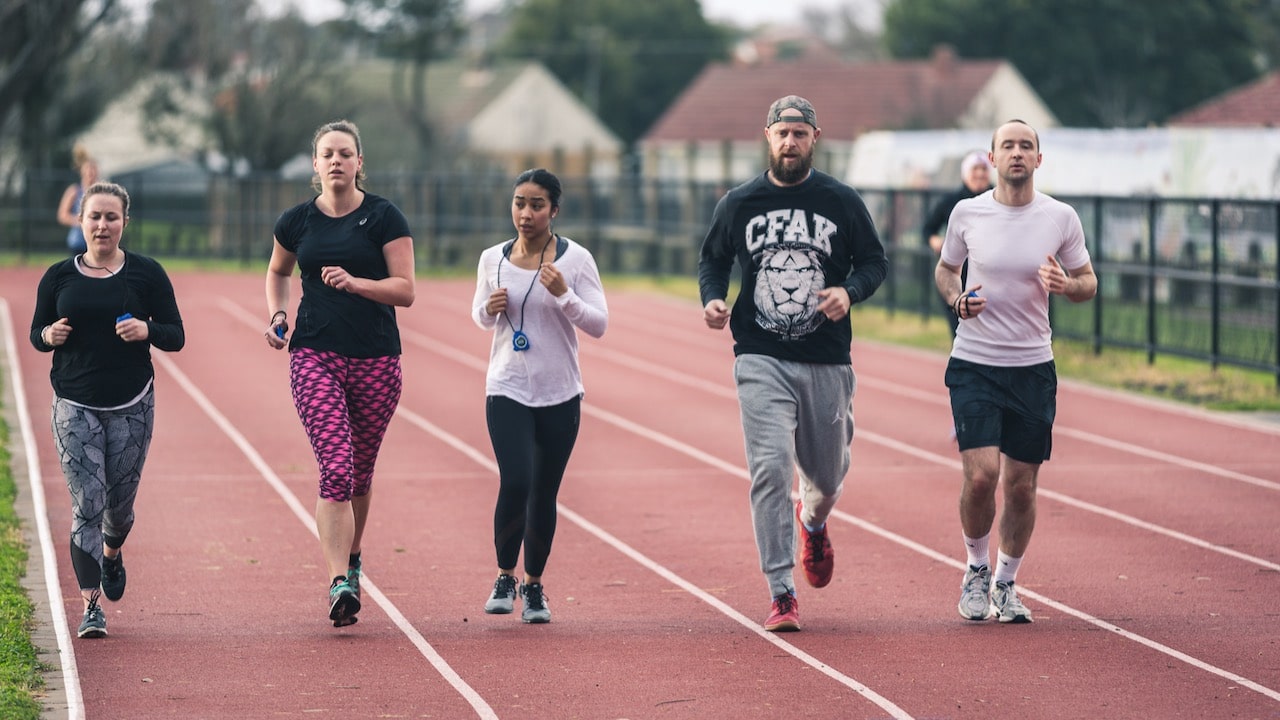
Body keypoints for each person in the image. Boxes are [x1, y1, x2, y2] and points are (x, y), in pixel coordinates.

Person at [698, 96, 887, 632]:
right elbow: (713, 259)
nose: (790, 142)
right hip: (759, 355)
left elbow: (875, 262)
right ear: (767, 137)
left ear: (815, 138)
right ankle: (781, 590)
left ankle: (814, 519)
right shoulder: (739, 202)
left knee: (826, 476)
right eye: (782, 133)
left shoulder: (841, 201)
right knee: (770, 469)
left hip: (826, 358)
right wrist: (713, 297)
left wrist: (849, 292)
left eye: (799, 134)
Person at [934, 119, 1097, 624]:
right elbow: (944, 270)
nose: (1017, 153)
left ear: (1039, 159)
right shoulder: (967, 212)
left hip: (1032, 367)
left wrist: (1066, 284)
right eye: (1008, 145)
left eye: (1027, 146)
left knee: (1021, 485)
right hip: (975, 362)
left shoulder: (1060, 217)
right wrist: (957, 299)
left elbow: (1089, 281)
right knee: (982, 476)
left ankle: (1006, 583)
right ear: (993, 157)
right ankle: (977, 569)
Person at [264, 119, 415, 628]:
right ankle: (338, 582)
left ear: (358, 162)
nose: (335, 161)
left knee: (361, 473)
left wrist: (357, 284)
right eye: (326, 153)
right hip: (315, 355)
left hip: (375, 357)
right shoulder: (297, 221)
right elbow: (278, 271)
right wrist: (278, 315)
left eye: (344, 153)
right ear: (315, 164)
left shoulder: (383, 216)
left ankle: (352, 557)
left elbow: (405, 290)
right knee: (336, 465)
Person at [30, 181, 185, 638]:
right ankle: (91, 606)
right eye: (94, 216)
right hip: (74, 403)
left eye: (111, 217)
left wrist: (147, 329)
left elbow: (176, 334)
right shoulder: (58, 276)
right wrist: (47, 337)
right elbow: (36, 330)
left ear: (124, 223)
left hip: (132, 403)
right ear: (81, 221)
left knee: (119, 508)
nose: (102, 225)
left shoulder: (147, 274)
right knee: (88, 504)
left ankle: (112, 552)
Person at [471, 168, 608, 624]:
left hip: (560, 393)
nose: (525, 214)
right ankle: (504, 576)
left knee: (544, 491)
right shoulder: (492, 257)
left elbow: (598, 324)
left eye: (535, 205)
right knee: (516, 481)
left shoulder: (576, 260)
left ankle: (533, 587)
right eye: (518, 203)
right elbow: (480, 314)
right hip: (507, 386)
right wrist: (488, 311)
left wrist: (565, 295)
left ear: (554, 210)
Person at [921, 150, 993, 336]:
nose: (979, 174)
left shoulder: (999, 199)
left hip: (991, 278)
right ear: (965, 173)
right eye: (975, 169)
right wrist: (934, 240)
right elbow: (928, 229)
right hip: (958, 276)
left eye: (984, 169)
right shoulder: (951, 201)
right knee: (961, 332)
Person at [56, 144, 100, 254]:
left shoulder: (103, 192)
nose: (91, 172)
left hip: (98, 242)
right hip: (78, 243)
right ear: (82, 171)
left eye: (93, 169)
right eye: (88, 169)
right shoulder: (74, 191)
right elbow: (62, 215)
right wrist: (80, 221)